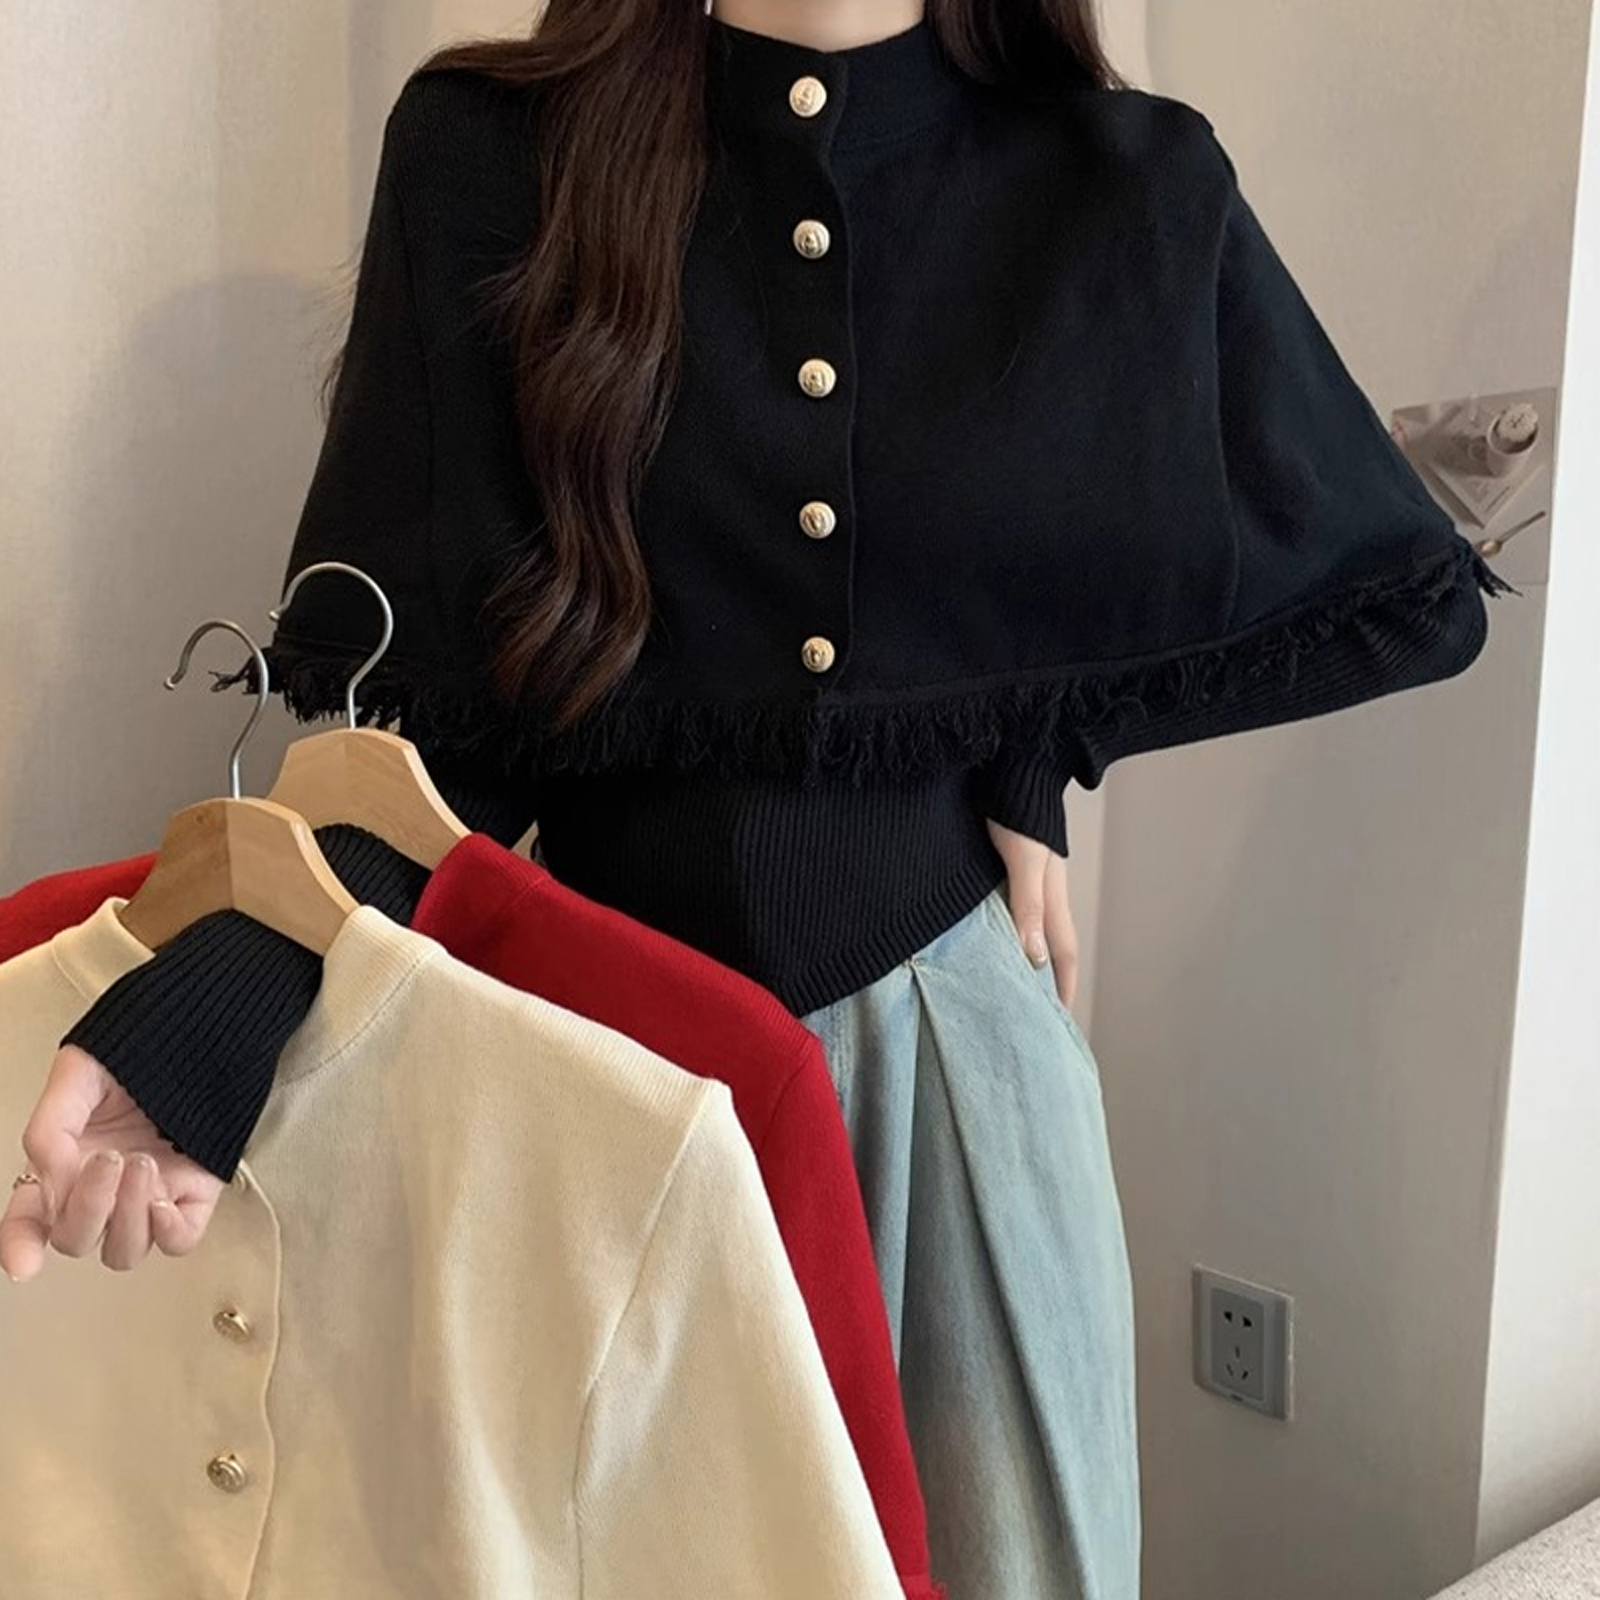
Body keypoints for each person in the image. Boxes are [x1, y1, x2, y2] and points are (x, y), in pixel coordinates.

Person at [0, 3, 1504, 1597]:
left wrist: (1030, 736)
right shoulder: (489, 160)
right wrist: (228, 996)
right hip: (591, 1094)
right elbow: (443, 733)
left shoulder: (1115, 183)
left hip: (949, 1086)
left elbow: (1392, 592)